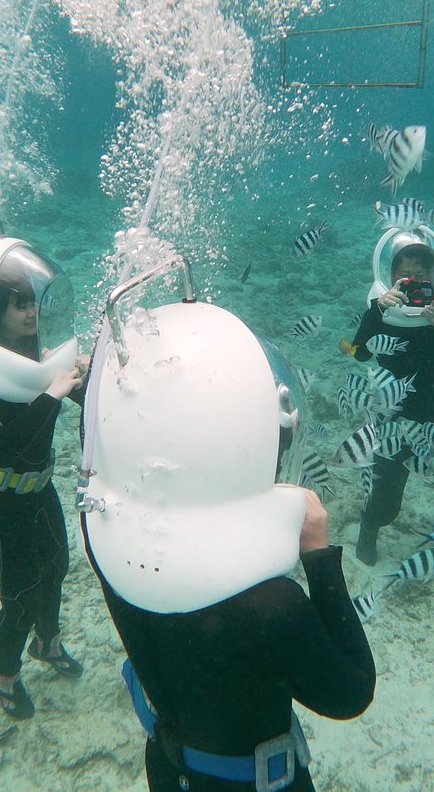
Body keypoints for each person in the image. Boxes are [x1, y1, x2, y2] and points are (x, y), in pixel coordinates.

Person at [82, 296, 375, 790]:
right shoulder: (270, 605)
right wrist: (320, 557)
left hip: (169, 770)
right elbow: (350, 694)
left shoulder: (105, 535)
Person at [0, 236, 90, 720]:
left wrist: (89, 378)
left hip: (39, 492)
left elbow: (80, 402)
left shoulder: (36, 355)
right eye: (17, 305)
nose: (31, 314)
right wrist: (51, 394)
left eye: (33, 302)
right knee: (20, 599)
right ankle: (3, 675)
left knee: (57, 571)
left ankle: (47, 646)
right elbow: (3, 450)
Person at [342, 233, 434, 565]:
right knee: (385, 498)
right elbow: (361, 354)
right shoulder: (379, 311)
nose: (413, 284)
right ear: (390, 277)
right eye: (405, 277)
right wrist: (377, 311)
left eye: (422, 277)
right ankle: (369, 528)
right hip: (391, 419)